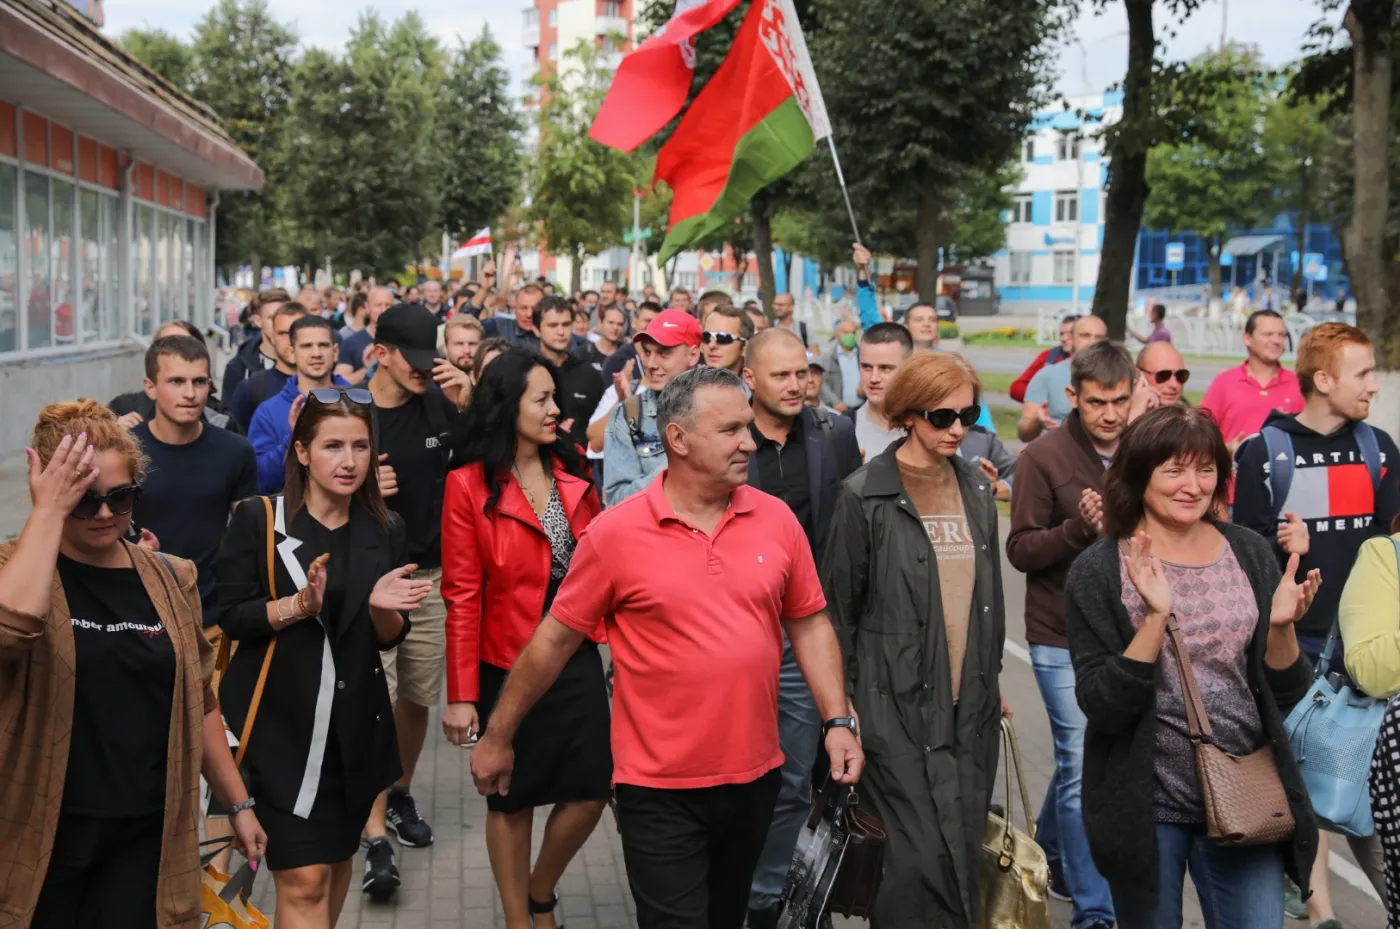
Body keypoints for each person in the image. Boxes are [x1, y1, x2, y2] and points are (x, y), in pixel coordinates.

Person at [467, 366, 864, 929]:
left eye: (747, 427)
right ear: (678, 440)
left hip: (755, 779)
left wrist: (837, 720)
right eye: (730, 430)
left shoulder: (774, 519)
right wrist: (499, 736)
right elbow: (554, 640)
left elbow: (810, 624)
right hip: (657, 790)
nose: (749, 442)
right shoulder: (616, 533)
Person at [1, 400, 265, 927]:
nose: (103, 515)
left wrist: (238, 802)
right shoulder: (17, 567)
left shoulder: (170, 577)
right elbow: (11, 631)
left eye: (120, 498)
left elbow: (200, 698)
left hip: (148, 831)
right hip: (41, 828)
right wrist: (47, 515)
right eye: (83, 500)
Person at [1063, 405, 1320, 929]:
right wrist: (1156, 616)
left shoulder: (1248, 551)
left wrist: (1281, 626)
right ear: (1139, 475)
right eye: (1174, 469)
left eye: (1205, 470)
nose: (1192, 485)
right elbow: (1102, 704)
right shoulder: (1098, 569)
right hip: (1146, 802)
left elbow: (1288, 690)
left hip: (1246, 787)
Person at [217, 390, 430, 924]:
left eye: (360, 446)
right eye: (333, 445)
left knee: (334, 870)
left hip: (355, 733)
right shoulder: (259, 520)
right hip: (280, 732)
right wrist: (299, 604)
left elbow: (387, 638)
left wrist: (384, 609)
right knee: (306, 881)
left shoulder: (387, 529)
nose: (349, 460)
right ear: (303, 452)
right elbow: (233, 616)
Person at [821, 351, 1007, 929]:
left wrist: (990, 677)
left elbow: (989, 602)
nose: (957, 429)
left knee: (961, 857)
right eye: (940, 416)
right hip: (891, 710)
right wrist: (843, 712)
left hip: (967, 711)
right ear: (907, 415)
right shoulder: (863, 496)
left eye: (968, 415)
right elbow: (835, 614)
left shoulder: (977, 490)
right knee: (912, 866)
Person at [440, 349, 612, 929]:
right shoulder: (467, 486)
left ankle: (541, 891)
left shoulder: (574, 473)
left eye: (555, 398)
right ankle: (520, 919)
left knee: (591, 792)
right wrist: (462, 694)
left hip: (574, 656)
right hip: (506, 663)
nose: (555, 410)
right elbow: (461, 595)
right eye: (541, 399)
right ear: (505, 404)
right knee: (510, 798)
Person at [1234, 321, 1399, 921]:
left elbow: (1392, 541)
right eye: (1362, 374)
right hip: (1295, 646)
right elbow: (1244, 550)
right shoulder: (1265, 452)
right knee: (1302, 774)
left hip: (1368, 645)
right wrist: (1287, 548)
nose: (1374, 386)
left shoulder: (1379, 448)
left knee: (1365, 775)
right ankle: (1320, 907)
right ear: (1323, 379)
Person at [1006, 341, 1138, 929]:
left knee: (1086, 755)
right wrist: (1077, 531)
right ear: (1072, 397)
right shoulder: (1043, 456)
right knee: (1082, 759)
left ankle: (1051, 845)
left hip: (1131, 634)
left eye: (1120, 401)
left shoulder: (1145, 449)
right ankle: (1095, 911)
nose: (1110, 414)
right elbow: (1022, 550)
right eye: (1097, 403)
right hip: (1059, 632)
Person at [740, 329, 862, 929]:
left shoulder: (835, 434)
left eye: (802, 373)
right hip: (736, 632)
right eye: (781, 375)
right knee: (732, 774)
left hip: (805, 631)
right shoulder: (728, 438)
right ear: (750, 378)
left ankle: (767, 901)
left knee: (792, 775)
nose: (796, 385)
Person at [358, 303, 462, 889]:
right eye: (413, 361)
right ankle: (373, 832)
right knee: (377, 695)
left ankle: (395, 795)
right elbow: (300, 494)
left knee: (416, 696)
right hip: (371, 581)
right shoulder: (348, 412)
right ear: (381, 354)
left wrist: (472, 405)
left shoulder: (438, 403)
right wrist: (361, 485)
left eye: (432, 358)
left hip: (432, 578)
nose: (425, 370)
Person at [602, 309, 701, 506]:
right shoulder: (628, 415)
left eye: (664, 353)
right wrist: (675, 467)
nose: (651, 364)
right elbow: (617, 501)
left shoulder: (720, 406)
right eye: (647, 352)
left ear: (693, 355)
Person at [249, 315, 352, 494]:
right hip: (292, 517)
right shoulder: (268, 412)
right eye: (306, 346)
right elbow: (260, 481)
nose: (316, 353)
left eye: (323, 345)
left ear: (335, 351)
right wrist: (292, 437)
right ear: (291, 353)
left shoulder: (359, 402)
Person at [1198, 310, 1303, 452]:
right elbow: (1199, 435)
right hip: (1235, 473)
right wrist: (1225, 450)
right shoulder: (1224, 382)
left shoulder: (1299, 385)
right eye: (1268, 334)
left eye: (1281, 335)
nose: (1277, 341)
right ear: (1247, 338)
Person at [111, 320, 241, 433]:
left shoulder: (219, 420)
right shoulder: (125, 407)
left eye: (188, 345)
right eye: (168, 346)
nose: (189, 393)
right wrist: (112, 432)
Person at [1020, 314, 1109, 441]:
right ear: (1071, 339)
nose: (1092, 342)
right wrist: (1038, 422)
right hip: (1055, 455)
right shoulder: (1047, 375)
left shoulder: (1121, 377)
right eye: (1085, 336)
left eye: (1098, 337)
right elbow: (1024, 434)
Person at [536, 295, 604, 454]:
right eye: (553, 325)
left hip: (580, 467)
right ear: (536, 328)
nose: (561, 332)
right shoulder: (527, 371)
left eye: (566, 325)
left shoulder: (588, 374)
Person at [231, 301, 309, 430]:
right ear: (272, 337)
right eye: (283, 333)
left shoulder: (332, 386)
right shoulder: (251, 388)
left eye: (297, 331)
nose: (290, 339)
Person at [846, 322, 914, 460]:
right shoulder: (842, 431)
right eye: (866, 367)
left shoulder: (931, 427)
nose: (874, 378)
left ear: (909, 369)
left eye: (885, 368)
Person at [222, 287, 289, 412]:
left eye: (284, 317)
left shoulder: (305, 361)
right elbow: (230, 418)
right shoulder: (238, 367)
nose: (279, 323)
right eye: (272, 318)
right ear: (258, 321)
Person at [1010, 315, 1076, 403]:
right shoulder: (1049, 356)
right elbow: (1017, 388)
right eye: (1061, 334)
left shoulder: (1093, 360)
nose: (1063, 338)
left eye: (1069, 334)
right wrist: (1045, 398)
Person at [336, 286, 395, 381]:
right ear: (367, 307)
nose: (383, 310)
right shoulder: (351, 343)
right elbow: (340, 384)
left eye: (388, 305)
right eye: (378, 305)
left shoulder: (405, 340)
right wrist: (369, 368)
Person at [601, 301, 661, 383]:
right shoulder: (617, 359)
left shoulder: (665, 358)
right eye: (647, 320)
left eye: (657, 322)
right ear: (634, 323)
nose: (651, 325)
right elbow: (606, 394)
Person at [483, 283, 545, 350]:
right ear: (514, 309)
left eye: (535, 309)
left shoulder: (554, 333)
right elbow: (472, 325)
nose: (529, 314)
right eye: (523, 308)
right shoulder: (499, 326)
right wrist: (483, 290)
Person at [820, 317, 861, 413]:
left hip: (861, 408)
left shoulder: (862, 354)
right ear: (837, 334)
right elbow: (822, 382)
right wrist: (835, 402)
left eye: (853, 333)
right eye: (846, 333)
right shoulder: (829, 356)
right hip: (840, 410)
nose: (850, 336)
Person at [702, 304, 754, 377]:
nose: (711, 345)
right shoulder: (685, 386)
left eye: (722, 338)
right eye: (707, 337)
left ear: (744, 347)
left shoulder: (759, 386)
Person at [1136, 341, 1190, 408]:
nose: (1174, 385)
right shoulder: (1121, 414)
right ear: (1139, 375)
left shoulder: (1190, 417)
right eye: (1164, 376)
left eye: (1180, 375)